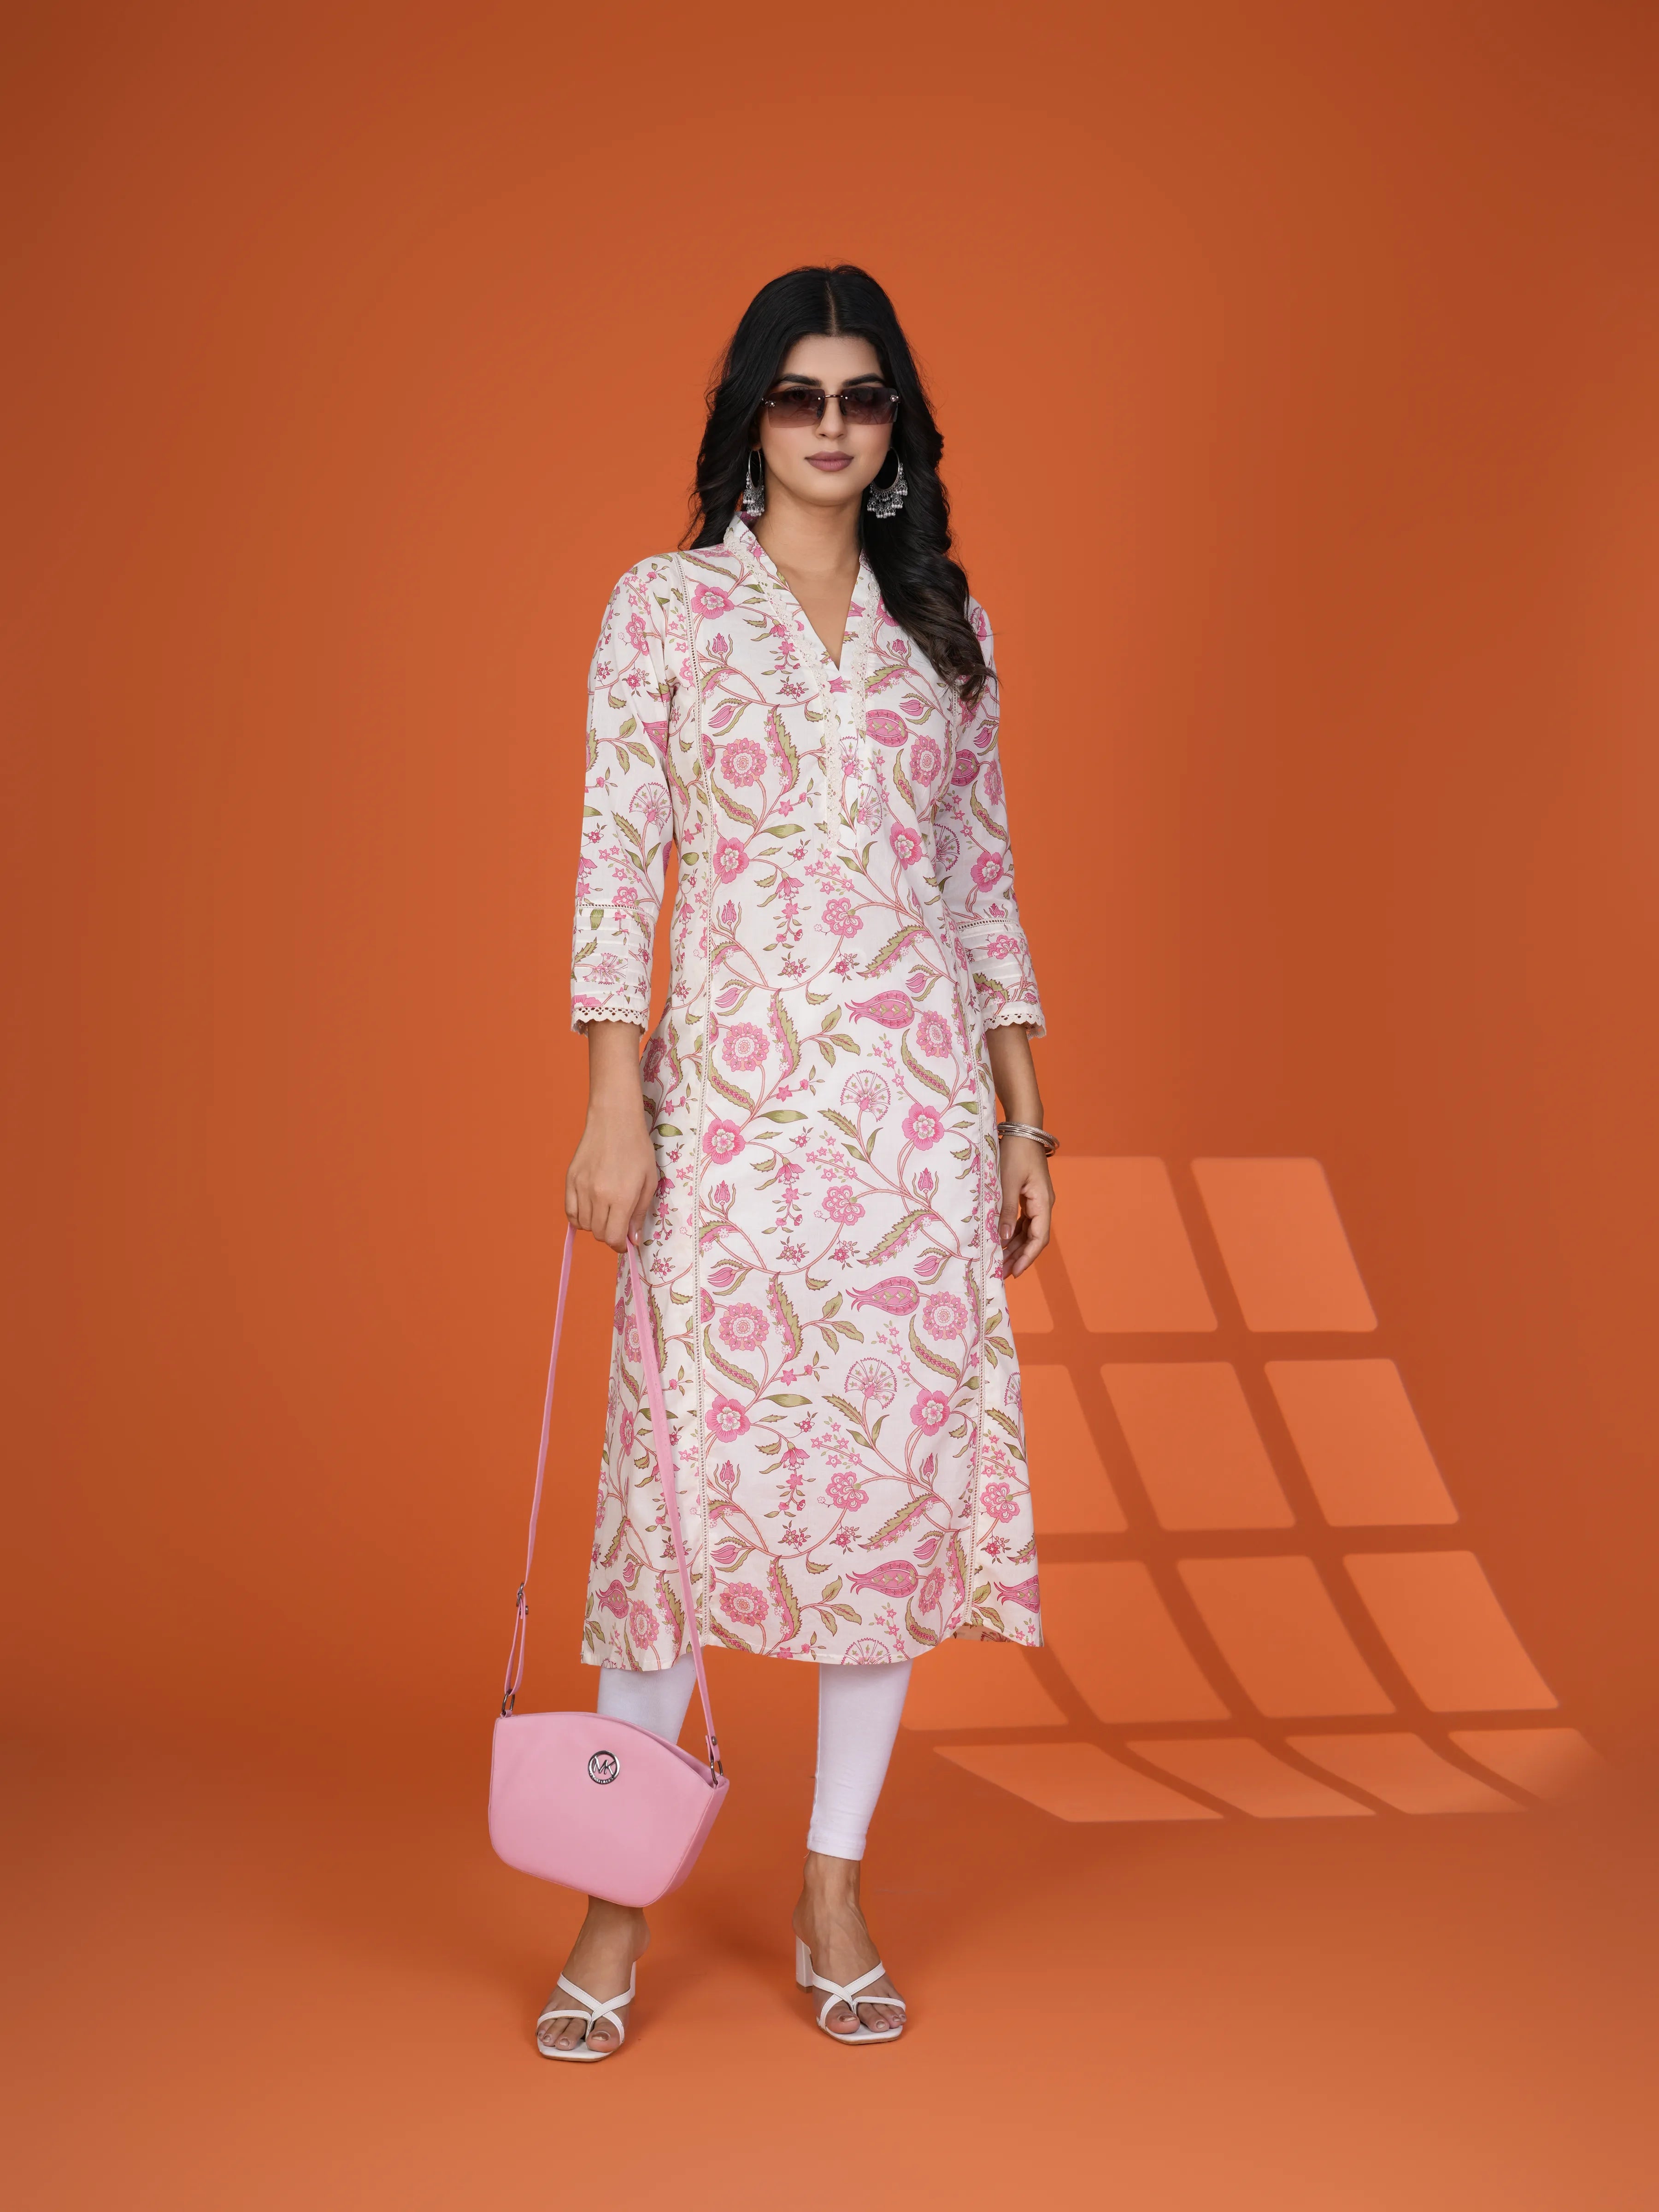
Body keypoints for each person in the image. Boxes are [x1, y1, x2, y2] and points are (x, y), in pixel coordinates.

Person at [542, 265, 1053, 2058]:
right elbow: (619, 860)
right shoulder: (668, 609)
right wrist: (616, 1103)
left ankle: (834, 1883)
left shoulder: (946, 635)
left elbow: (981, 890)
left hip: (912, 1129)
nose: (832, 425)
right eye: (798, 395)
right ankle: (615, 1897)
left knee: (887, 1503)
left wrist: (1023, 1118)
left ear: (898, 425)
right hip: (733, 1127)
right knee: (669, 1512)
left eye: (862, 396)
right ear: (750, 419)